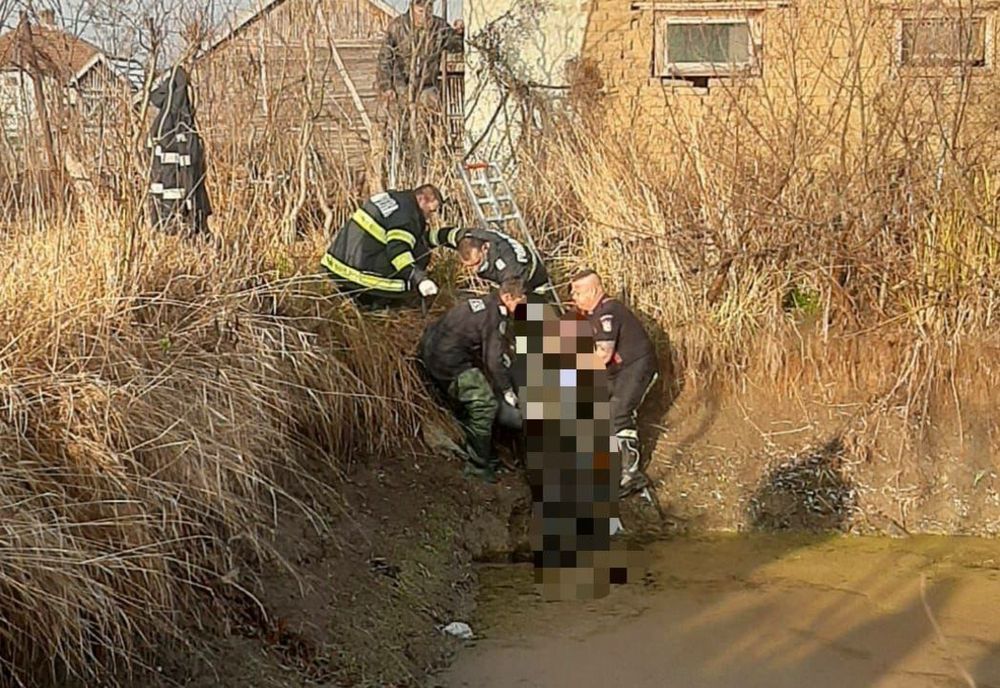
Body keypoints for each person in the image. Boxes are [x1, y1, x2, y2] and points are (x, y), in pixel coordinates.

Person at [418, 279, 527, 482]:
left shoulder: (481, 303)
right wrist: (507, 391)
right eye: (522, 302)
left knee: (479, 391)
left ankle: (487, 450)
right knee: (485, 404)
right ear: (508, 297)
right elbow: (493, 360)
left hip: (429, 350)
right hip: (448, 364)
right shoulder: (496, 317)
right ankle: (477, 465)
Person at [569, 270, 659, 497]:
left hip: (636, 366)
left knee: (618, 411)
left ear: (593, 290)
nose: (573, 296)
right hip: (615, 372)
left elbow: (603, 355)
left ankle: (632, 474)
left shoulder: (608, 313)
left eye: (577, 292)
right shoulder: (590, 314)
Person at [321, 185, 443, 309]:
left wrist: (452, 237)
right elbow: (398, 252)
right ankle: (380, 301)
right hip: (356, 276)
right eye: (431, 211)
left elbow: (411, 238)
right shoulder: (407, 217)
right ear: (422, 199)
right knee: (420, 255)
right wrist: (419, 278)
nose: (430, 216)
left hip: (337, 265)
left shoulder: (396, 199)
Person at [427, 225, 559, 304]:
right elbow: (446, 235)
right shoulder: (467, 238)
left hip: (532, 280)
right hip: (504, 276)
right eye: (468, 266)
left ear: (485, 248)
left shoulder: (510, 268)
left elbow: (510, 297)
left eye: (477, 263)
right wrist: (425, 240)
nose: (473, 270)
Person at [376, 0, 464, 111]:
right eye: (421, 10)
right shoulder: (397, 27)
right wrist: (386, 86)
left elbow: (457, 46)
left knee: (432, 107)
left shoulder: (439, 27)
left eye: (429, 9)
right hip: (401, 87)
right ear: (412, 7)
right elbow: (384, 59)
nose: (425, 15)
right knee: (401, 119)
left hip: (428, 86)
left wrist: (460, 33)